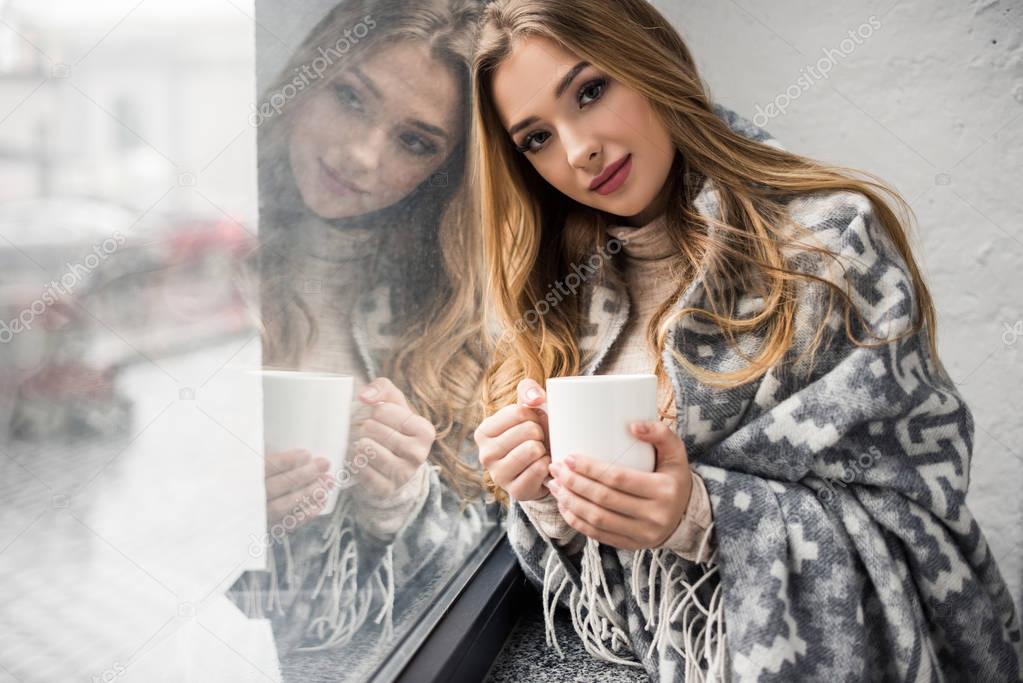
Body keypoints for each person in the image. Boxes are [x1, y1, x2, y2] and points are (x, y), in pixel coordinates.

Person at [469, 0, 1021, 680]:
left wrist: (700, 513)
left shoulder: (829, 247)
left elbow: (920, 523)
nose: (577, 149)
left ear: (650, 61)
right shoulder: (560, 302)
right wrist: (544, 490)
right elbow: (600, 605)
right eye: (535, 139)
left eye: (590, 91)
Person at [228, 0, 494, 665]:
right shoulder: (199, 256)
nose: (358, 154)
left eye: (414, 141)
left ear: (446, 168)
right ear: (306, 78)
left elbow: (489, 586)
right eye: (349, 95)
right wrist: (213, 514)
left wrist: (401, 504)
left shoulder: (456, 313)